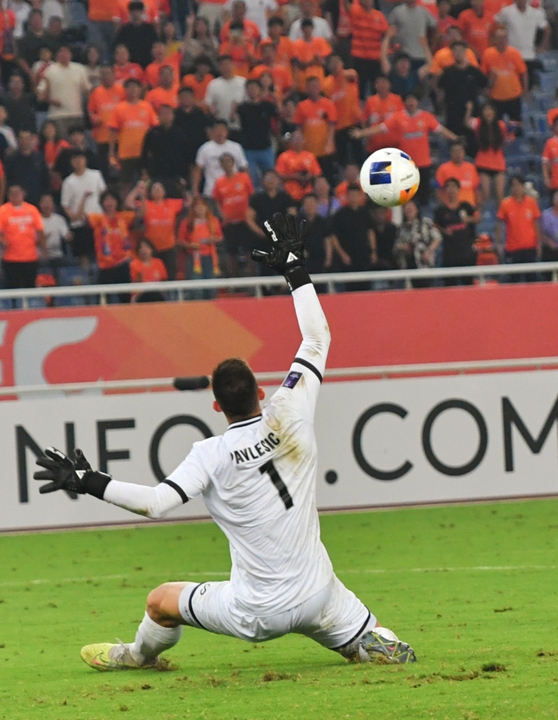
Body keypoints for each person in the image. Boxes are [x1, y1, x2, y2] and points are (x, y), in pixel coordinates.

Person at [42, 214, 415, 671]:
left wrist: (89, 480)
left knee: (160, 600)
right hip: (320, 592)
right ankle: (369, 641)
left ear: (217, 407)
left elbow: (157, 504)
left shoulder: (210, 454)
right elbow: (318, 337)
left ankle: (137, 657)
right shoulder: (290, 409)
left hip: (256, 610)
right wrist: (294, 270)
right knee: (372, 636)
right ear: (261, 392)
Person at [352, 93, 458, 208]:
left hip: (424, 164)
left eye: (414, 100)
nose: (411, 103)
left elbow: (440, 130)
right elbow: (381, 128)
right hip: (406, 166)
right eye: (409, 100)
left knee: (423, 199)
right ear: (405, 103)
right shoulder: (397, 117)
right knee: (406, 198)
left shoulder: (426, 117)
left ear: (418, 102)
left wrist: (456, 138)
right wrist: (361, 133)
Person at [108, 79, 159, 191]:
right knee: (125, 182)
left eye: (136, 87)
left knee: (146, 180)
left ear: (140, 90)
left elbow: (155, 128)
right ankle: (126, 206)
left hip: (144, 152)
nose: (133, 90)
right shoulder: (119, 108)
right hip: (125, 152)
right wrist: (112, 152)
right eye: (130, 87)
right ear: (125, 90)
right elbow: (113, 131)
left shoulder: (147, 107)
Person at [131, 180, 184, 280]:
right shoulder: (146, 204)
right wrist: (138, 190)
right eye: (154, 189)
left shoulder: (171, 203)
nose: (157, 190)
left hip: (169, 248)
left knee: (170, 277)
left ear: (164, 191)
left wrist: (182, 187)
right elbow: (128, 203)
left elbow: (189, 202)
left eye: (160, 188)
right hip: (152, 250)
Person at [213, 154, 255, 276]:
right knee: (231, 252)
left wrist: (250, 214)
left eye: (229, 161)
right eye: (224, 162)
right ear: (221, 165)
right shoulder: (219, 182)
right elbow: (217, 201)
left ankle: (253, 277)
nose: (227, 165)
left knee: (249, 250)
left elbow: (251, 196)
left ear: (233, 163)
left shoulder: (244, 178)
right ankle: (233, 279)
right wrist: (222, 215)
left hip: (244, 221)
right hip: (229, 222)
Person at [61, 150, 106, 265]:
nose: (78, 162)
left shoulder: (96, 175)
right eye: (75, 159)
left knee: (100, 252)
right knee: (83, 255)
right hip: (79, 224)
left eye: (80, 158)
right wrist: (73, 217)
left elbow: (104, 195)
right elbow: (65, 205)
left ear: (85, 160)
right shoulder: (68, 182)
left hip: (97, 221)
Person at [437, 41, 488, 137]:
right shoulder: (447, 72)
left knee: (472, 140)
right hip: (453, 112)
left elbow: (484, 86)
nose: (458, 53)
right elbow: (439, 87)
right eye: (455, 51)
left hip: (472, 112)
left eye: (460, 50)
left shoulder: (474, 71)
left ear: (465, 52)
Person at [90, 191, 135, 301]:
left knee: (125, 299)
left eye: (112, 199)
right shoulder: (98, 218)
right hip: (105, 265)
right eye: (106, 199)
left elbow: (141, 214)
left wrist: (140, 196)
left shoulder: (124, 217)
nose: (109, 202)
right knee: (104, 300)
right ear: (102, 203)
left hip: (122, 263)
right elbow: (79, 217)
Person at [432, 177, 478, 285]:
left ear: (458, 189)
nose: (451, 190)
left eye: (453, 187)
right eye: (448, 187)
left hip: (467, 254)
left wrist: (469, 219)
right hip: (450, 255)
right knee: (450, 286)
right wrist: (444, 231)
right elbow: (434, 226)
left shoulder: (465, 206)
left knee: (468, 285)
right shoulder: (441, 210)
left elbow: (477, 219)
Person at [37, 45, 90, 135]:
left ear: (70, 55)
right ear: (57, 55)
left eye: (66, 52)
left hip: (76, 114)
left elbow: (87, 90)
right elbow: (40, 95)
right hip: (57, 116)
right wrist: (51, 101)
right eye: (61, 52)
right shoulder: (49, 70)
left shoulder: (80, 69)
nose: (64, 54)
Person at [330, 184, 378, 283]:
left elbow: (370, 232)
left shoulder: (365, 213)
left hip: (364, 255)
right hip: (348, 257)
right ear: (347, 196)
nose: (353, 197)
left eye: (356, 195)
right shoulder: (340, 215)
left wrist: (373, 251)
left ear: (360, 196)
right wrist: (342, 254)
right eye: (351, 195)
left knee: (366, 285)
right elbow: (334, 236)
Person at [236, 80, 279, 189]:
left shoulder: (268, 105)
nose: (252, 91)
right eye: (249, 88)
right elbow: (234, 121)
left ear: (259, 90)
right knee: (252, 179)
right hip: (248, 149)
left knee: (270, 176)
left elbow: (279, 117)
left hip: (266, 147)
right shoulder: (242, 107)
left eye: (254, 88)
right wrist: (233, 109)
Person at [493, 0, 548, 87]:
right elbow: (496, 22)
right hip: (512, 55)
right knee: (512, 85)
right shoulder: (507, 12)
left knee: (528, 85)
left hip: (529, 55)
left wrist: (542, 46)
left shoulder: (535, 13)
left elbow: (547, 29)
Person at [496, 175, 541, 279]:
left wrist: (538, 244)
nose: (516, 188)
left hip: (530, 247)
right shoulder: (506, 204)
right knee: (514, 279)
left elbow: (536, 224)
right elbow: (499, 224)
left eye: (519, 185)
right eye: (514, 185)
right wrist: (498, 243)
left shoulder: (531, 202)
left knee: (531, 279)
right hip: (513, 248)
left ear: (523, 186)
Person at [0, 184, 45, 289]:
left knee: (30, 285)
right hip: (11, 257)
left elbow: (40, 230)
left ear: (23, 194)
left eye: (17, 193)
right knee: (12, 286)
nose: (15, 196)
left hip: (30, 256)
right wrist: (2, 240)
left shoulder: (32, 210)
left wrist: (43, 250)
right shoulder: (3, 211)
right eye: (12, 193)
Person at [480, 27, 527, 124]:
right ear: (494, 39)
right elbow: (483, 75)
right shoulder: (487, 54)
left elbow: (524, 72)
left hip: (514, 96)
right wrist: (485, 89)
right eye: (499, 37)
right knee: (498, 125)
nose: (502, 40)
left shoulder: (514, 53)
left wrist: (525, 89)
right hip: (496, 97)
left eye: (504, 37)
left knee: (516, 125)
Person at [345, 0, 389, 99]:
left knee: (375, 87)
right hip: (359, 56)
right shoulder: (356, 11)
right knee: (359, 87)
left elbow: (386, 33)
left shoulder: (379, 15)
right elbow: (346, 4)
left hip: (375, 57)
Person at [194, 119, 250, 196]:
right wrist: (195, 190)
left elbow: (244, 168)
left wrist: (246, 186)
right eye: (217, 131)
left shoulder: (236, 147)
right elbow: (198, 170)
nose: (220, 133)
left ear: (227, 132)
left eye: (222, 131)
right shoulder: (205, 148)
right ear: (213, 132)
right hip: (211, 190)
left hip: (233, 190)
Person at [471, 103, 510, 206]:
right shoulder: (478, 124)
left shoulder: (501, 125)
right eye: (485, 110)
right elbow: (467, 122)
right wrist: (469, 110)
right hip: (483, 164)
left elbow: (505, 140)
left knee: (500, 196)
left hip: (498, 163)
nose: (488, 112)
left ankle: (500, 220)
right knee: (486, 195)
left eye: (490, 110)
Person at [394, 199, 440, 277]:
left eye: (411, 207)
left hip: (425, 262)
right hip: (407, 263)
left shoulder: (426, 222)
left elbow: (437, 238)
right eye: (406, 207)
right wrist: (404, 247)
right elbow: (397, 245)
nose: (409, 209)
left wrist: (428, 252)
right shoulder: (401, 228)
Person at [387, 0, 437, 69]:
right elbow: (388, 29)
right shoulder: (397, 11)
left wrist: (431, 47)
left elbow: (434, 27)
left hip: (421, 55)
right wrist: (392, 45)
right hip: (403, 55)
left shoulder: (423, 11)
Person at [275, 131, 323, 202]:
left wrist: (309, 176)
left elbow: (318, 173)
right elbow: (278, 175)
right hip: (291, 194)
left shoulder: (310, 156)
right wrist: (295, 176)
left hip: (308, 193)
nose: (298, 141)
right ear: (290, 142)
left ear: (304, 141)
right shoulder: (284, 157)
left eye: (300, 139)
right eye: (295, 139)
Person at [436, 142, 481, 208]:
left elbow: (477, 189)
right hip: (452, 208)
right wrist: (446, 206)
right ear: (451, 153)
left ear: (464, 153)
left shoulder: (471, 168)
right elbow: (438, 190)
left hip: (470, 207)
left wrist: (478, 207)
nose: (458, 154)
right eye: (455, 151)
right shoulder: (443, 168)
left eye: (460, 151)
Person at [130, 237, 169, 302]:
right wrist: (139, 279)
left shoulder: (158, 262)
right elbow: (133, 283)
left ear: (151, 249)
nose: (144, 250)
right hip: (140, 294)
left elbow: (163, 280)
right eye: (141, 248)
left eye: (146, 247)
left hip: (157, 293)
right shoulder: (134, 264)